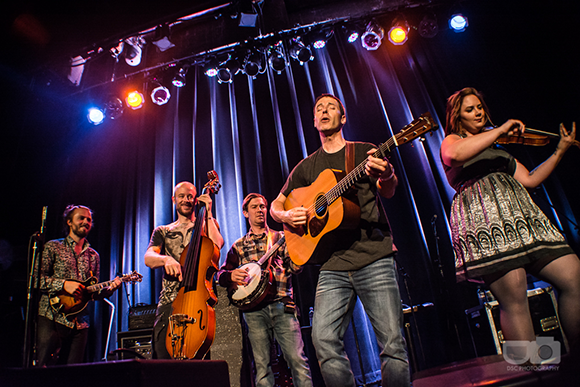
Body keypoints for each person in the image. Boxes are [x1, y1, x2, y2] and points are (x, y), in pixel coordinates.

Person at [270, 94, 410, 387]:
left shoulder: (364, 152)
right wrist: (287, 216)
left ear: (342, 118)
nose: (323, 111)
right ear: (313, 121)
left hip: (373, 255)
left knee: (392, 343)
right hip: (332, 265)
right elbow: (276, 205)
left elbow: (389, 191)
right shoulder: (306, 167)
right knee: (322, 339)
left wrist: (388, 175)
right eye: (318, 108)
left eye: (331, 107)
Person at [440, 87, 580, 360]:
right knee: (514, 299)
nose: (478, 112)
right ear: (458, 118)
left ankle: (574, 360)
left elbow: (529, 179)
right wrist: (500, 129)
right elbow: (453, 156)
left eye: (479, 106)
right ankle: (534, 370)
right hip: (487, 221)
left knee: (573, 275)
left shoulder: (496, 147)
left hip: (522, 218)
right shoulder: (453, 139)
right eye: (470, 109)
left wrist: (560, 151)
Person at [218, 193, 312, 387]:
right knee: (262, 367)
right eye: (254, 207)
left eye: (262, 206)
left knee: (298, 361)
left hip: (282, 305)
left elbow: (295, 268)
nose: (260, 210)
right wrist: (231, 275)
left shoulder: (281, 238)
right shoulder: (238, 246)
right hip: (253, 312)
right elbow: (221, 275)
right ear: (245, 212)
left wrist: (300, 253)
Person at [144, 181, 224, 359]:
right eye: (181, 196)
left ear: (196, 200)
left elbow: (217, 244)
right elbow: (148, 258)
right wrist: (165, 259)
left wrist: (208, 213)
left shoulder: (206, 225)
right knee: (162, 362)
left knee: (197, 366)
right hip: (169, 302)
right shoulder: (163, 231)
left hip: (198, 304)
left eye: (190, 196)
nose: (186, 200)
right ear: (174, 200)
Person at [36, 205, 121, 366]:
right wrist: (63, 284)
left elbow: (92, 293)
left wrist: (109, 290)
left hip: (80, 323)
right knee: (44, 370)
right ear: (69, 222)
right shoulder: (53, 247)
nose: (86, 222)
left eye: (89, 219)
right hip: (51, 316)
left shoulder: (94, 256)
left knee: (74, 374)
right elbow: (36, 280)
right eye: (81, 218)